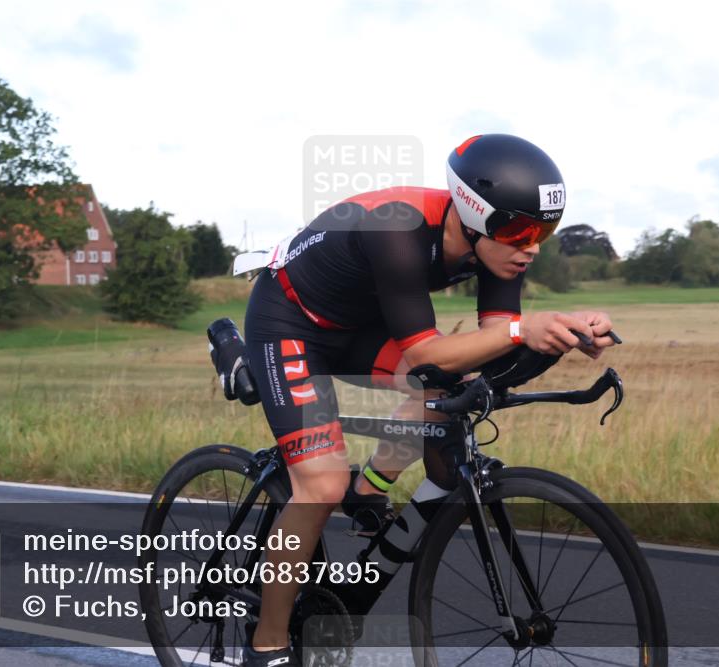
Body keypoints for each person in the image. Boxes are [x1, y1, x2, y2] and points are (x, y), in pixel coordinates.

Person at [240, 134, 617, 667]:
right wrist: (522, 330)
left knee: (448, 397)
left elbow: (491, 357)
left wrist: (564, 337)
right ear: (472, 213)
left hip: (360, 323)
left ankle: (369, 488)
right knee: (320, 483)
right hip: (290, 323)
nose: (531, 246)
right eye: (519, 229)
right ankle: (268, 645)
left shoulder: (501, 250)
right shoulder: (396, 229)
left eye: (543, 231)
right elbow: (425, 356)